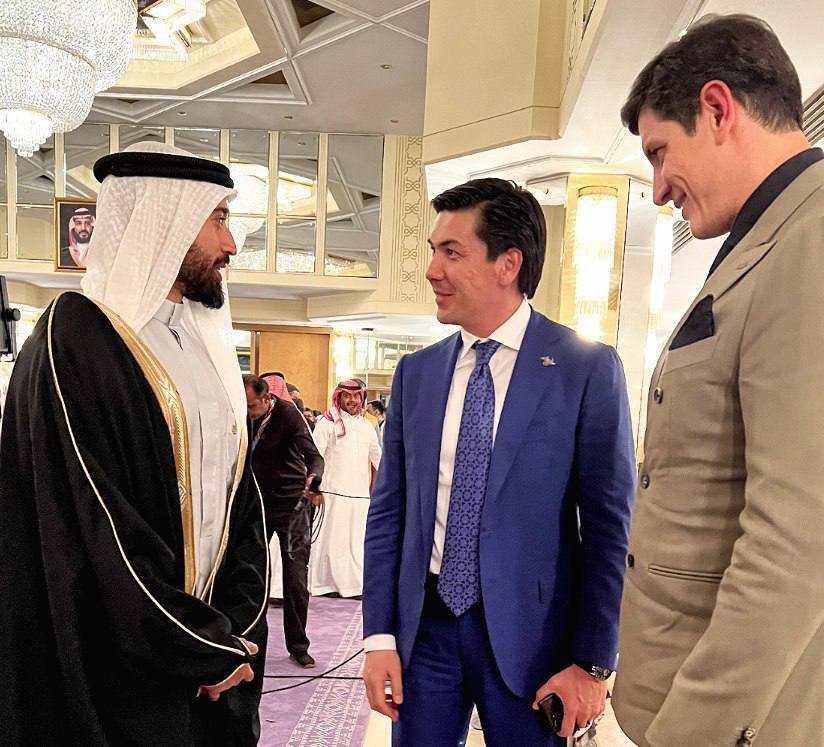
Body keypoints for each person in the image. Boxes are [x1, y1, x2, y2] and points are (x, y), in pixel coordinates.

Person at [613, 14, 824, 747]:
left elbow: (799, 540)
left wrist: (691, 731)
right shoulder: (774, 237)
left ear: (717, 109)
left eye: (659, 152)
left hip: (761, 717)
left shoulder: (823, 237)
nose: (658, 189)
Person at [0, 142, 269, 746]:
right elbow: (97, 524)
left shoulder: (197, 343)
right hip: (111, 661)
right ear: (168, 219)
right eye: (218, 220)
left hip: (200, 650)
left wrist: (231, 627)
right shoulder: (75, 337)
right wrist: (193, 646)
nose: (231, 245)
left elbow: (237, 498)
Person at [362, 178, 636, 745]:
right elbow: (388, 514)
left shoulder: (584, 368)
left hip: (535, 643)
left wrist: (592, 662)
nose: (432, 270)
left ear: (508, 264)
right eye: (433, 251)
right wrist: (380, 638)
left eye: (451, 252)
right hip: (424, 635)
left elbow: (609, 526)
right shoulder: (417, 374)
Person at [244, 374, 324, 668]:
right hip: (256, 504)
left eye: (252, 406)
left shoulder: (288, 415)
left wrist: (314, 479)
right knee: (250, 574)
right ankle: (248, 642)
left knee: (295, 579)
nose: (248, 412)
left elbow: (314, 457)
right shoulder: (242, 415)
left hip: (292, 506)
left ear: (267, 399)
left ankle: (298, 646)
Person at [310, 379, 382, 598]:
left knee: (355, 543)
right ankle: (324, 585)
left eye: (356, 396)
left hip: (359, 496)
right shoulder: (326, 423)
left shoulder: (366, 426)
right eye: (347, 396)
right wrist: (314, 487)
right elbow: (314, 456)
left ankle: (353, 586)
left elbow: (378, 457)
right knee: (331, 543)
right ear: (339, 397)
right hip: (331, 493)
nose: (352, 400)